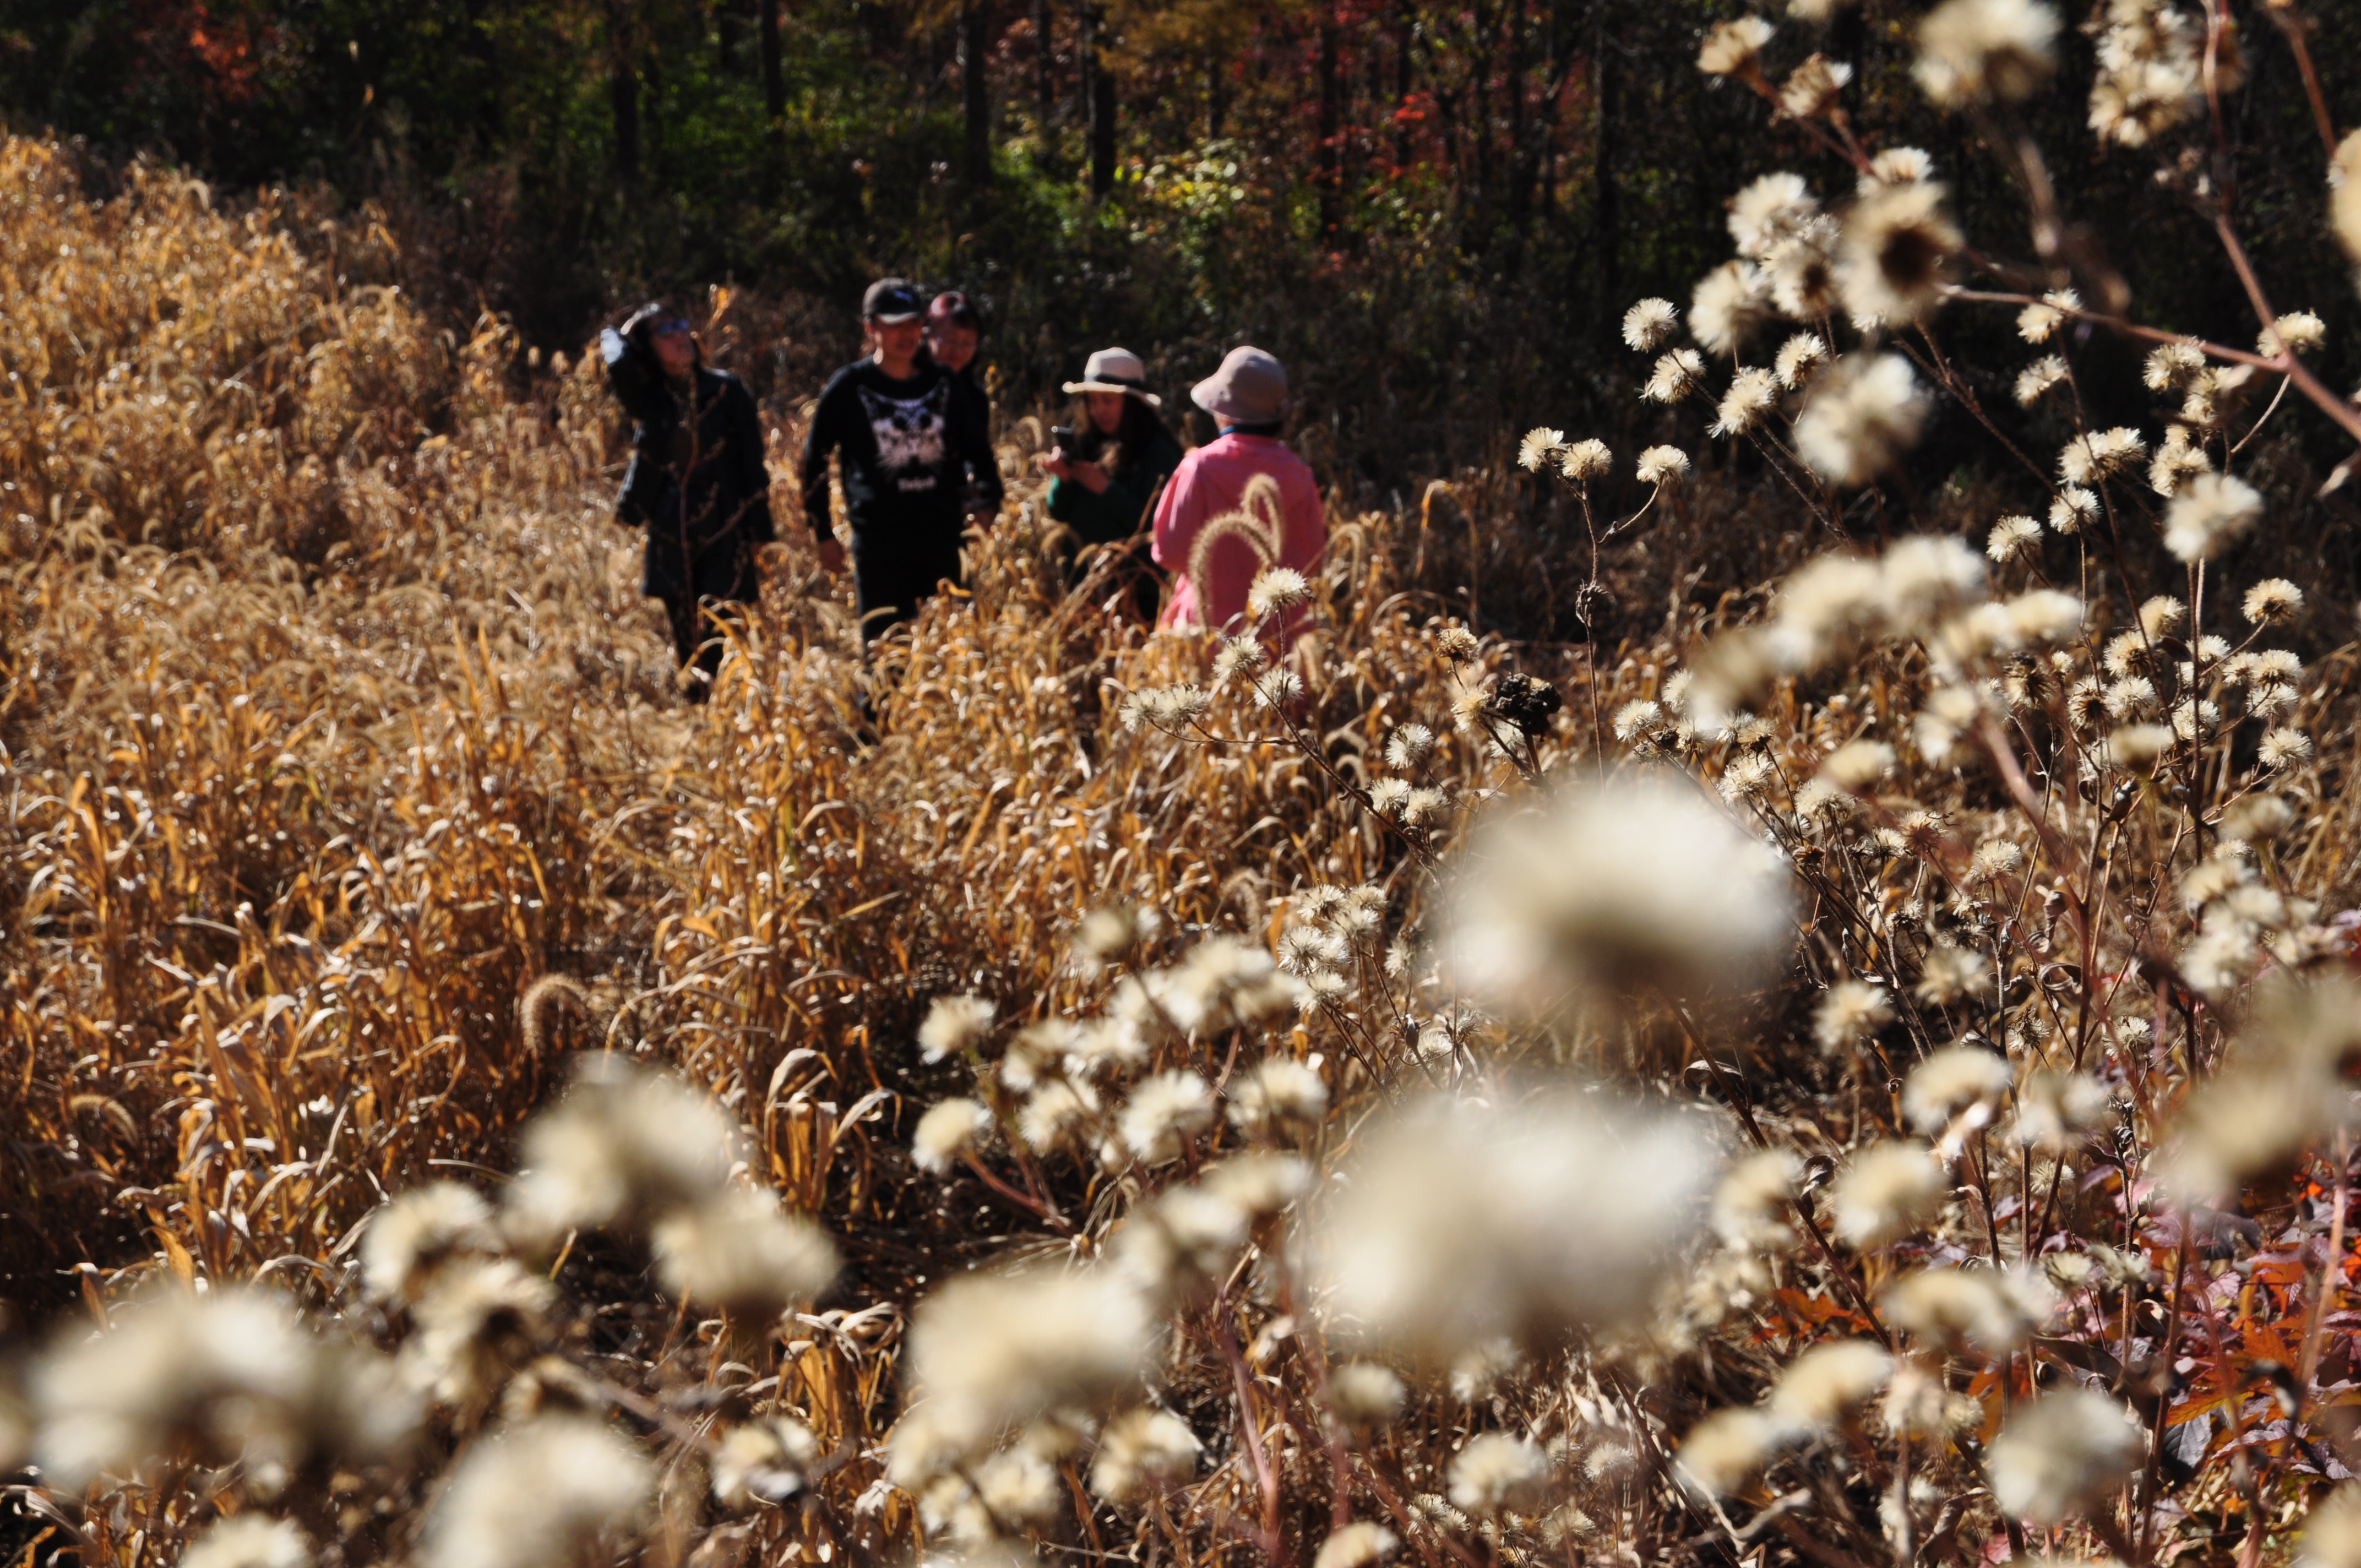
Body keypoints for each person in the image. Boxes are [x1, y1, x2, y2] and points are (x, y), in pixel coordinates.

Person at [800, 277, 1003, 641]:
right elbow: (814, 459)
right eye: (894, 325)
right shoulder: (848, 386)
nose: (906, 334)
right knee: (884, 657)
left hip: (943, 539)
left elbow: (979, 449)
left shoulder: (945, 382)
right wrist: (823, 535)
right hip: (880, 545)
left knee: (948, 653)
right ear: (871, 327)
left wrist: (989, 501)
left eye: (913, 323)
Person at [601, 301, 774, 703]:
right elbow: (615, 357)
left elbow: (753, 466)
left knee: (723, 631)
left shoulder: (729, 391)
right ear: (646, 349)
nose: (680, 336)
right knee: (688, 638)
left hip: (726, 525)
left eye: (681, 325)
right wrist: (625, 332)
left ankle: (727, 721)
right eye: (664, 332)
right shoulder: (651, 399)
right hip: (671, 528)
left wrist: (759, 531)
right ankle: (699, 721)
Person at [1151, 345, 1325, 644]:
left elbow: (1168, 551)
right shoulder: (1300, 474)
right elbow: (1314, 562)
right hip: (1282, 641)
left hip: (1206, 636)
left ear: (1223, 410)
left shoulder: (1199, 468)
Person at [925, 291, 993, 518]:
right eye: (950, 339)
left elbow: (978, 457)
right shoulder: (904, 386)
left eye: (967, 342)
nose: (958, 350)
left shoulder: (974, 398)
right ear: (928, 335)